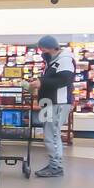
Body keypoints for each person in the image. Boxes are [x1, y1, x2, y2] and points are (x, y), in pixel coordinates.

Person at [31, 35, 76, 178]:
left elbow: (65, 80)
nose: (42, 52)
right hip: (49, 103)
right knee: (49, 134)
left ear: (48, 48)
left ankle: (56, 167)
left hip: (58, 103)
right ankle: (53, 164)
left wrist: (41, 82)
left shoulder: (65, 59)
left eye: (42, 49)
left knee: (53, 134)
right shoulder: (54, 61)